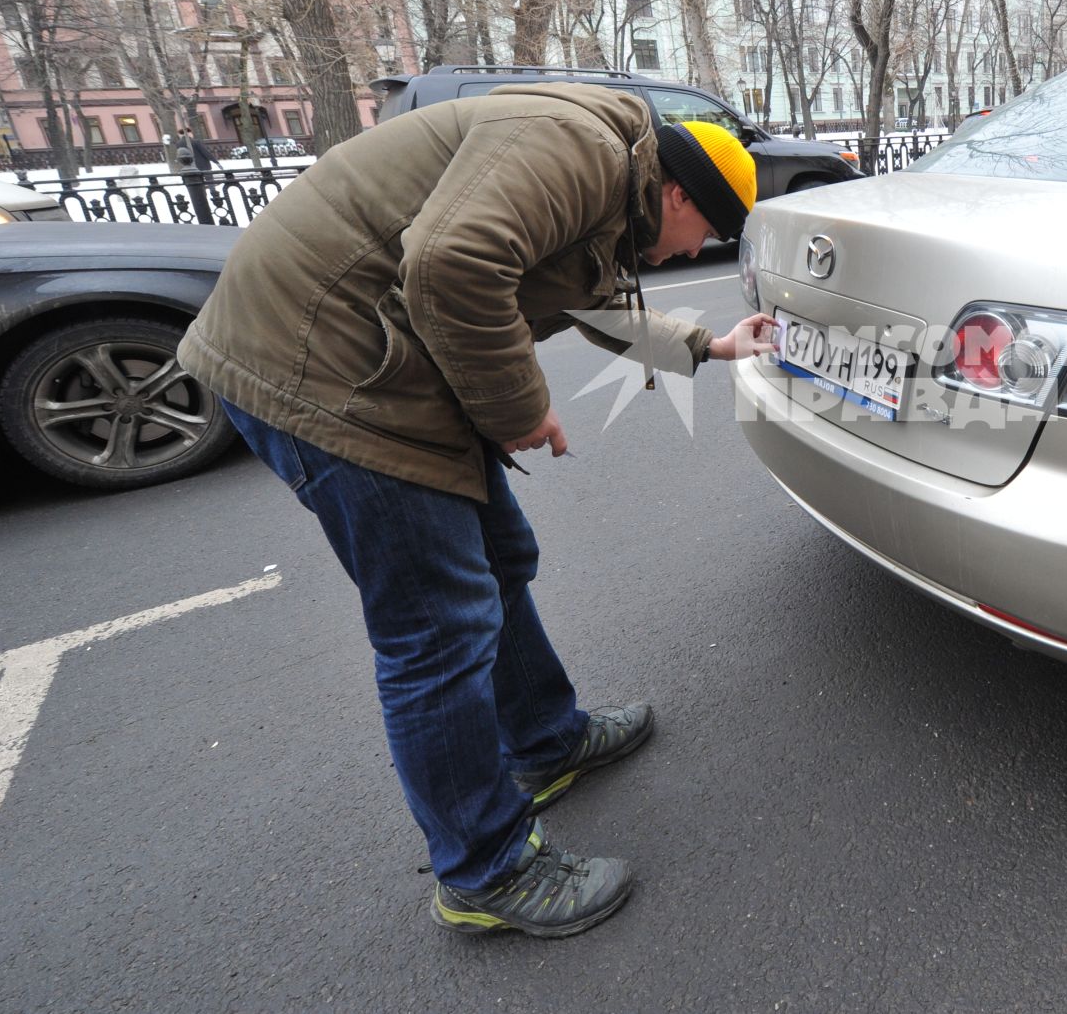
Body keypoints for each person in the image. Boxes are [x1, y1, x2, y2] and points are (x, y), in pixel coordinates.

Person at [178, 84, 776, 939]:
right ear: (680, 196)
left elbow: (593, 296)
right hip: (324, 369)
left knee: (499, 557)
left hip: (388, 357)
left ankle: (543, 739)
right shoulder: (578, 148)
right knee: (436, 630)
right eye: (705, 237)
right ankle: (486, 871)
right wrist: (519, 408)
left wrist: (709, 344)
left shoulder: (613, 181)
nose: (694, 255)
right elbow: (454, 263)